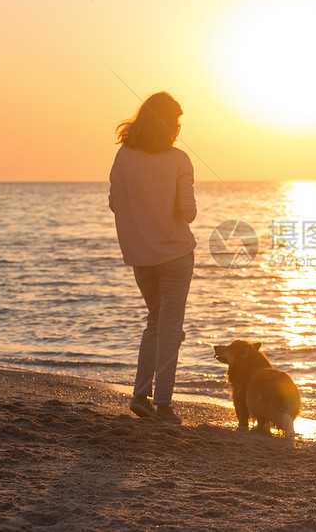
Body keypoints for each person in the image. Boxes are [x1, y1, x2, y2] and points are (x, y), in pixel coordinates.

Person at [109, 92, 196, 425]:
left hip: (141, 257)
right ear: (166, 124)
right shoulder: (178, 159)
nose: (177, 128)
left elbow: (116, 202)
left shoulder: (124, 156)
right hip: (175, 254)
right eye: (175, 122)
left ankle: (140, 396)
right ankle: (162, 404)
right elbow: (187, 213)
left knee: (156, 323)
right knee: (169, 327)